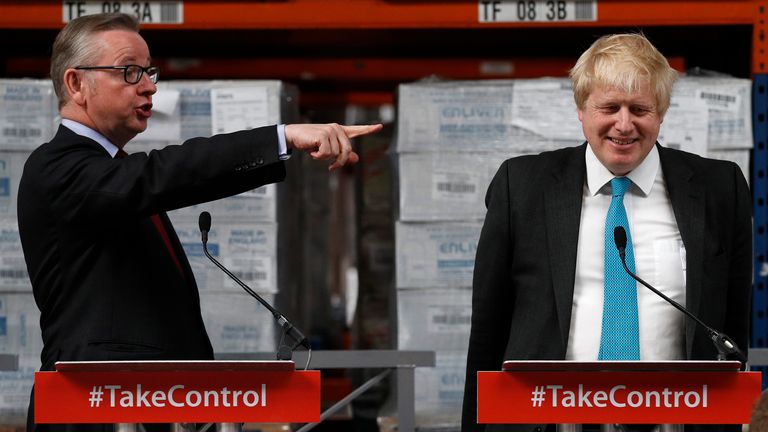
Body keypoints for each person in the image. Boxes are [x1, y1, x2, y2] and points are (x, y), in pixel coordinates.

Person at [18, 12, 382, 431]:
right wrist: (281, 138)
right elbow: (163, 174)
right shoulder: (58, 169)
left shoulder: (113, 174)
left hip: (150, 409)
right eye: (130, 71)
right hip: (93, 410)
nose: (150, 86)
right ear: (76, 83)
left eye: (149, 71)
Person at [462, 33, 752, 432]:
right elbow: (488, 329)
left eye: (640, 109)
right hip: (549, 420)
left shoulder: (721, 188)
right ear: (581, 109)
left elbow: (732, 328)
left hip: (677, 420)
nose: (624, 124)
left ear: (662, 113)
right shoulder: (523, 185)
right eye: (609, 107)